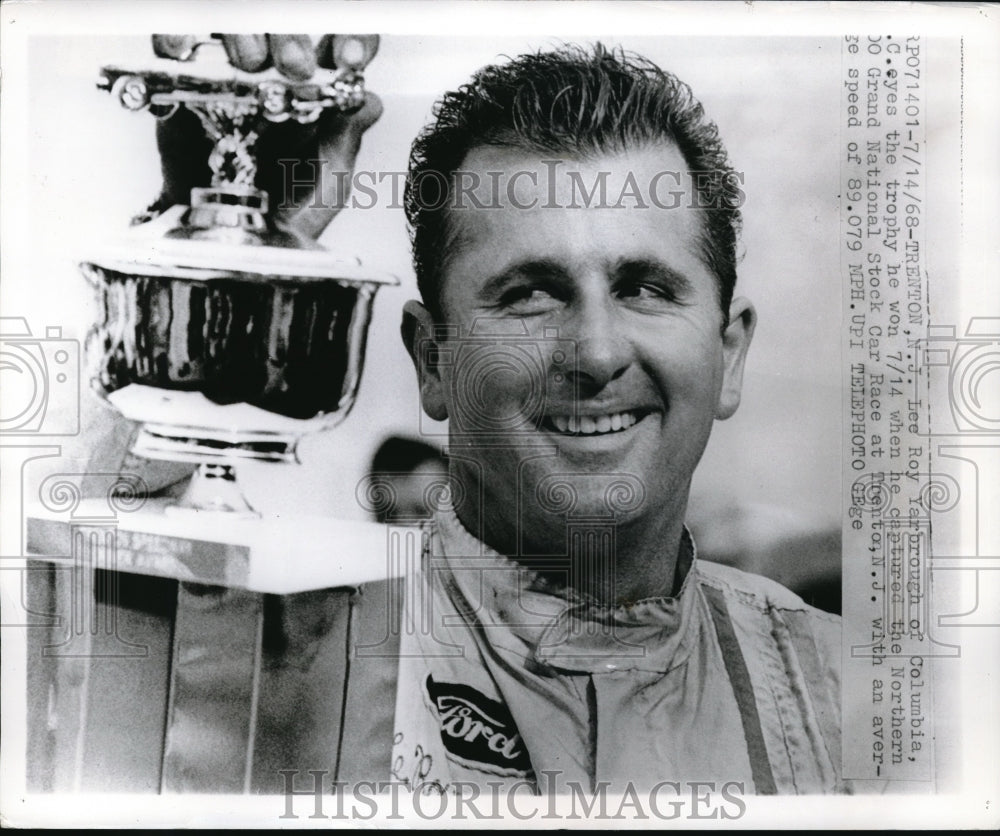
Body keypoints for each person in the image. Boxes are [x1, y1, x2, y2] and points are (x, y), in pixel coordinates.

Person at [81, 36, 844, 797]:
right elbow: (75, 645)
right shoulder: (290, 643)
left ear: (730, 354)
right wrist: (220, 265)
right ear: (433, 362)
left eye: (645, 287)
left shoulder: (845, 691)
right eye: (530, 293)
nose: (598, 352)